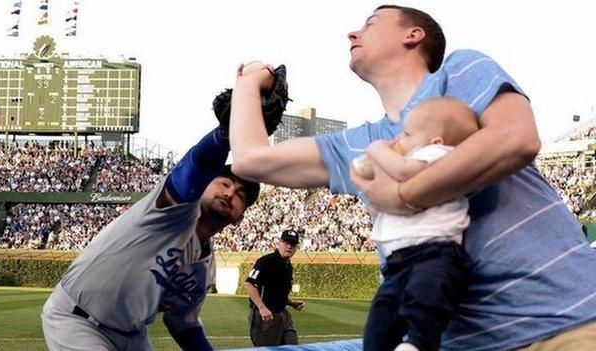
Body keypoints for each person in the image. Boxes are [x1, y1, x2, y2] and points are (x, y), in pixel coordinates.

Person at [229, 4, 596, 351]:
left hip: (567, 323)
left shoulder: (458, 73)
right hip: (457, 343)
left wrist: (404, 193)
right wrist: (248, 82)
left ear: (414, 35)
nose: (352, 33)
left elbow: (516, 138)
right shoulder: (358, 144)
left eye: (370, 24)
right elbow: (250, 160)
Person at [41, 127, 260, 351]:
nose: (229, 193)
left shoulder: (205, 271)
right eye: (224, 183)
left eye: (240, 195)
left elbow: (183, 325)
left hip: (133, 335)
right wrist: (223, 135)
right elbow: (194, 169)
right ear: (204, 184)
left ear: (240, 218)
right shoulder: (173, 212)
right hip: (77, 320)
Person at [350, 97, 478, 351]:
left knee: (424, 307)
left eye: (407, 134)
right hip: (398, 264)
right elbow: (380, 203)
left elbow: (406, 170)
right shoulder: (411, 165)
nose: (399, 139)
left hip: (435, 254)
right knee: (382, 319)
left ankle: (416, 345)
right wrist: (368, 176)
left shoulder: (440, 155)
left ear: (436, 141)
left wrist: (377, 149)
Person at [244, 229, 305, 347]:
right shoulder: (266, 261)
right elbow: (249, 284)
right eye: (286, 242)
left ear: (296, 248)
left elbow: (276, 291)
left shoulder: (288, 265)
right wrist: (262, 308)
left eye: (292, 244)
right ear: (280, 243)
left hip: (283, 315)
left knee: (292, 348)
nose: (289, 246)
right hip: (266, 318)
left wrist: (291, 303)